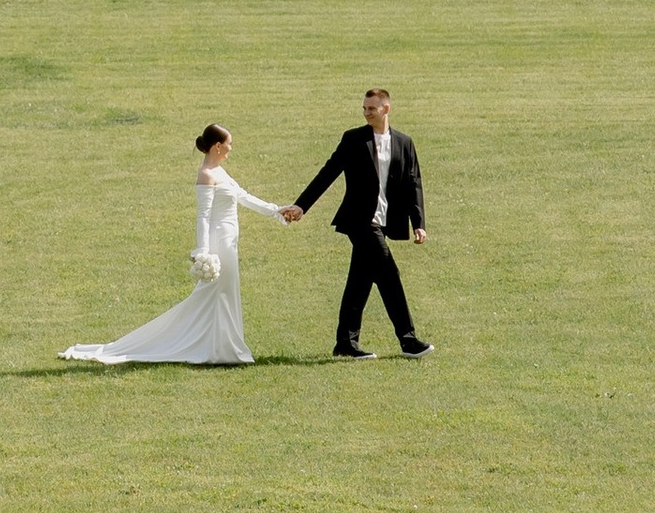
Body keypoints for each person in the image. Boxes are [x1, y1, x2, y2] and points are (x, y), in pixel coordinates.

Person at [65, 124, 289, 366]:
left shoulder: (220, 171)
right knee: (216, 293)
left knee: (224, 293)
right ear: (217, 146)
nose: (231, 149)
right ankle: (219, 349)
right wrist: (203, 252)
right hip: (219, 242)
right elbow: (203, 216)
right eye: (229, 144)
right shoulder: (207, 175)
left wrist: (276, 210)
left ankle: (223, 347)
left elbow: (243, 196)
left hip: (230, 240)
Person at [285, 86, 431, 357]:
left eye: (371, 108)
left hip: (384, 222)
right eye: (364, 108)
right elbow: (329, 171)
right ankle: (408, 340)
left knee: (360, 281)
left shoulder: (404, 142)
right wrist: (302, 205)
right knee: (389, 275)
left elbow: (414, 183)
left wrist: (418, 223)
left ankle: (345, 343)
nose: (366, 113)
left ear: (386, 109)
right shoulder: (353, 139)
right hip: (360, 221)